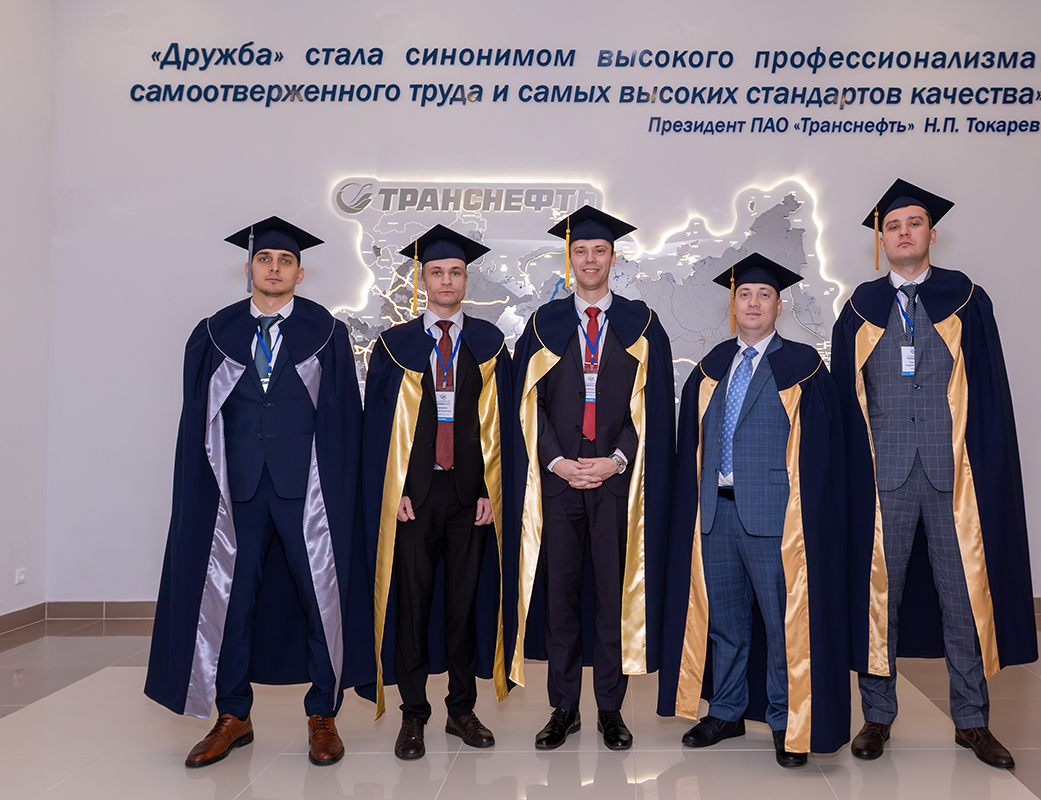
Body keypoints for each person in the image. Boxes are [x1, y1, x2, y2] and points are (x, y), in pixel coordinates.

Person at [145, 216, 368, 767]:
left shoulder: (326, 332)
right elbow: (196, 419)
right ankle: (233, 715)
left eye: (285, 260)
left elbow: (344, 420)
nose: (274, 268)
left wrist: (343, 493)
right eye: (265, 259)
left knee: (320, 601)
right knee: (231, 604)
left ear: (299, 272)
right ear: (248, 268)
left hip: (306, 492)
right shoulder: (214, 332)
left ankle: (322, 714)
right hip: (236, 492)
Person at [831, 180, 1037, 768]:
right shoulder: (859, 307)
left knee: (962, 599)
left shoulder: (966, 299)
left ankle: (972, 721)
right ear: (882, 240)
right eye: (893, 226)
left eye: (914, 223)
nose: (904, 233)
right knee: (880, 599)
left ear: (932, 233)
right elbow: (845, 401)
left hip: (955, 477)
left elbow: (990, 392)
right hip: (882, 478)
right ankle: (877, 717)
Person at [657, 253, 850, 769]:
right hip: (715, 516)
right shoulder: (712, 365)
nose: (753, 303)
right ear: (733, 304)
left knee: (781, 625)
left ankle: (786, 719)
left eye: (764, 295)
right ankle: (726, 710)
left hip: (775, 518)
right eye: (744, 294)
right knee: (725, 623)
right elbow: (689, 444)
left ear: (779, 306)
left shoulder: (803, 366)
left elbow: (822, 453)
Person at [509, 206, 674, 750]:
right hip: (559, 480)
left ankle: (609, 708)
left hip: (616, 483)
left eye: (599, 250)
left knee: (611, 597)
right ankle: (563, 709)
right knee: (561, 598)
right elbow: (527, 404)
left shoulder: (641, 324)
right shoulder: (544, 324)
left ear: (613, 257)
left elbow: (652, 406)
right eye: (580, 251)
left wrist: (617, 459)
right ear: (570, 258)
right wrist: (556, 460)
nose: (589, 259)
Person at [358, 225, 512, 760]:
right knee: (414, 605)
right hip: (414, 498)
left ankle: (462, 709)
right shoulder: (395, 346)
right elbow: (378, 426)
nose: (447, 280)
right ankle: (414, 713)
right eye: (437, 272)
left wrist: (492, 489)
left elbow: (504, 428)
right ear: (421, 280)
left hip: (471, 497)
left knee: (463, 606)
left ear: (467, 280)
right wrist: (394, 488)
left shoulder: (490, 344)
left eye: (456, 272)